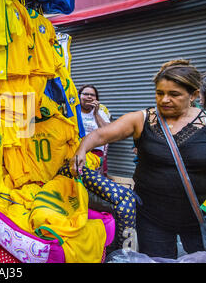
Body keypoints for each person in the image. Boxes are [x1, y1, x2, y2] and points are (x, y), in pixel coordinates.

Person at [71, 59, 206, 259]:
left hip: (198, 219)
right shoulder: (142, 119)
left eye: (174, 94)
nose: (164, 100)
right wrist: (82, 150)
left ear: (194, 95)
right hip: (152, 218)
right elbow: (100, 135)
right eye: (159, 93)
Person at [78, 84, 111, 177]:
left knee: (95, 180)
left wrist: (96, 113)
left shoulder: (100, 112)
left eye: (92, 95)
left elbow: (108, 132)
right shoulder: (73, 112)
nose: (89, 96)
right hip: (78, 151)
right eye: (85, 94)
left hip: (96, 153)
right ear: (79, 96)